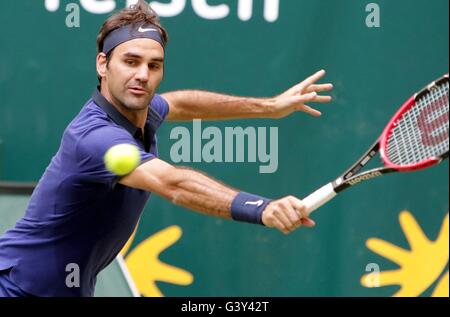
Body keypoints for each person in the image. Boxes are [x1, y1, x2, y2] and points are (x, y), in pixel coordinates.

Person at [0, 0, 333, 297]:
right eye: (130, 61)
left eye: (153, 65)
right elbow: (173, 183)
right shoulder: (94, 138)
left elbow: (181, 103)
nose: (142, 75)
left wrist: (270, 107)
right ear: (103, 65)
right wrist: (263, 208)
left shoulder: (142, 111)